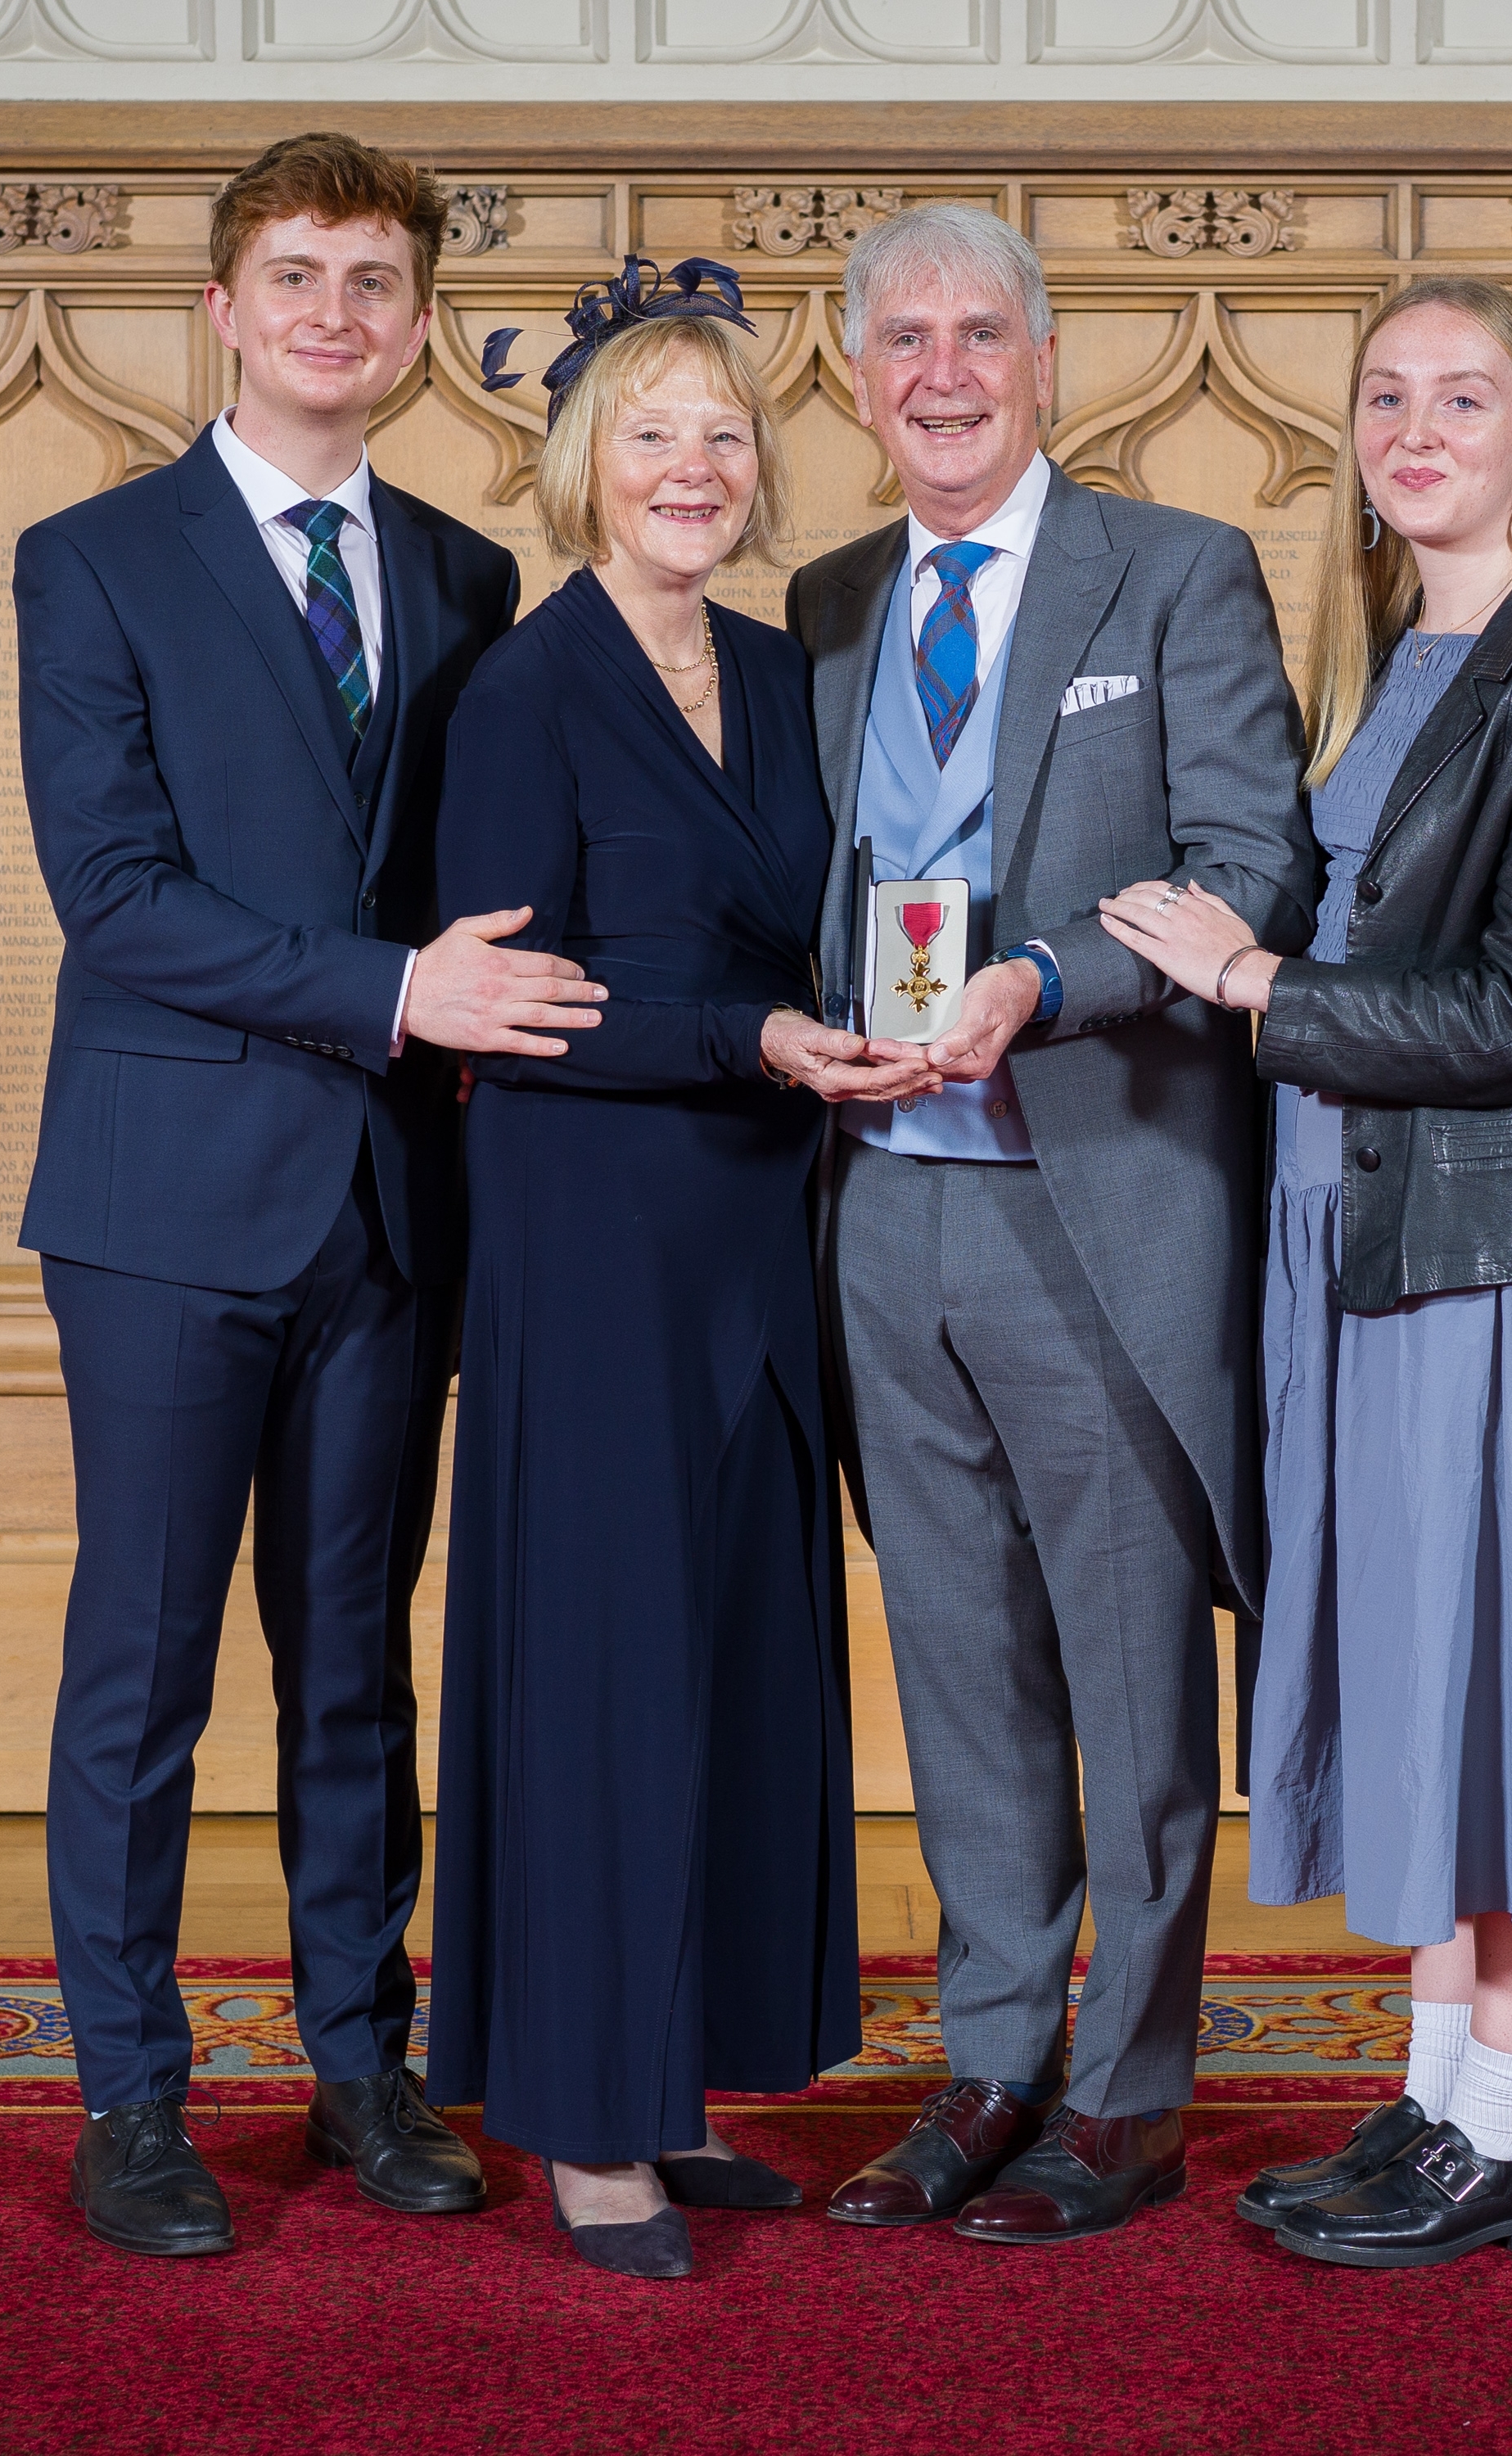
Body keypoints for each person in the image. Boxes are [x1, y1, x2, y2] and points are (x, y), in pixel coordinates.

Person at [11, 130, 610, 2258]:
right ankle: (136, 2103)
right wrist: (392, 991)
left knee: (354, 1666)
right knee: (145, 1670)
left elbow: (494, 884)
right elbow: (116, 902)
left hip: (386, 1214)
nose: (335, 314)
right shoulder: (92, 563)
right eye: (296, 277)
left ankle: (361, 2064)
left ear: (421, 324)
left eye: (374, 281)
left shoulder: (460, 574)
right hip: (165, 1207)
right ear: (223, 307)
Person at [1097, 274, 1512, 2268]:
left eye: (1462, 398)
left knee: (1507, 1680)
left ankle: (1509, 2134)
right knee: (1417, 1678)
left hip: (1487, 1258)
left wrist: (1256, 979)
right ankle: (1434, 2106)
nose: (1416, 428)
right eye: (1384, 397)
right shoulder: (1393, 664)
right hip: (1347, 1239)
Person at [788, 204, 1319, 2246]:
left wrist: (1042, 981)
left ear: (1045, 360)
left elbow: (1243, 855)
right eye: (904, 337)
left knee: (1120, 1672)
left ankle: (1130, 2092)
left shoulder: (1173, 573)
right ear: (858, 377)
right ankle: (995, 2058)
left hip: (1095, 1199)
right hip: (883, 1222)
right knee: (958, 1668)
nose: (942, 369)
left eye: (979, 333)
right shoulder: (828, 603)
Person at [425, 267, 919, 2283]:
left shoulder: (782, 668)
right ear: (582, 468)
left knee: (732, 1652)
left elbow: (830, 919)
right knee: (605, 1674)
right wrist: (750, 1039)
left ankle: (684, 2077)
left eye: (724, 434)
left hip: (754, 1224)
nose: (693, 468)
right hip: (594, 1225)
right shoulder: (525, 695)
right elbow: (512, 1007)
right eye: (652, 434)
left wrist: (873, 1018)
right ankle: (585, 2122)